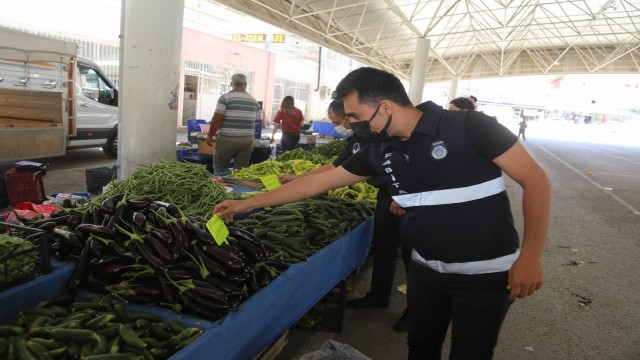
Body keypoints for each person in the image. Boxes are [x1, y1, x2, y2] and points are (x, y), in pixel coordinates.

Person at [214, 67, 551, 360]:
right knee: (420, 347)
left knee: (470, 353)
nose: (350, 125)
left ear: (386, 106)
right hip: (425, 271)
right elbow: (316, 183)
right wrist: (246, 204)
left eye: (356, 116)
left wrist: (531, 256)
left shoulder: (469, 126)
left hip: (486, 275)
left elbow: (536, 181)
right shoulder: (379, 150)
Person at [279, 99, 411, 332]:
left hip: (406, 200)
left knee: (413, 259)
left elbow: (410, 167)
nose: (341, 124)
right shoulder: (356, 141)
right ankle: (378, 296)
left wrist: (404, 197)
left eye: (344, 118)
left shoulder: (386, 134)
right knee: (383, 249)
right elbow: (336, 168)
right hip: (383, 198)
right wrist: (298, 178)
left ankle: (415, 312)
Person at [206, 73, 260, 174]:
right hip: (247, 140)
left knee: (220, 168)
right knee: (241, 171)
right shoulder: (254, 101)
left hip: (227, 140)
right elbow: (247, 120)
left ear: (231, 84)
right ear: (245, 84)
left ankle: (222, 188)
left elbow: (217, 119)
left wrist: (210, 136)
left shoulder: (225, 98)